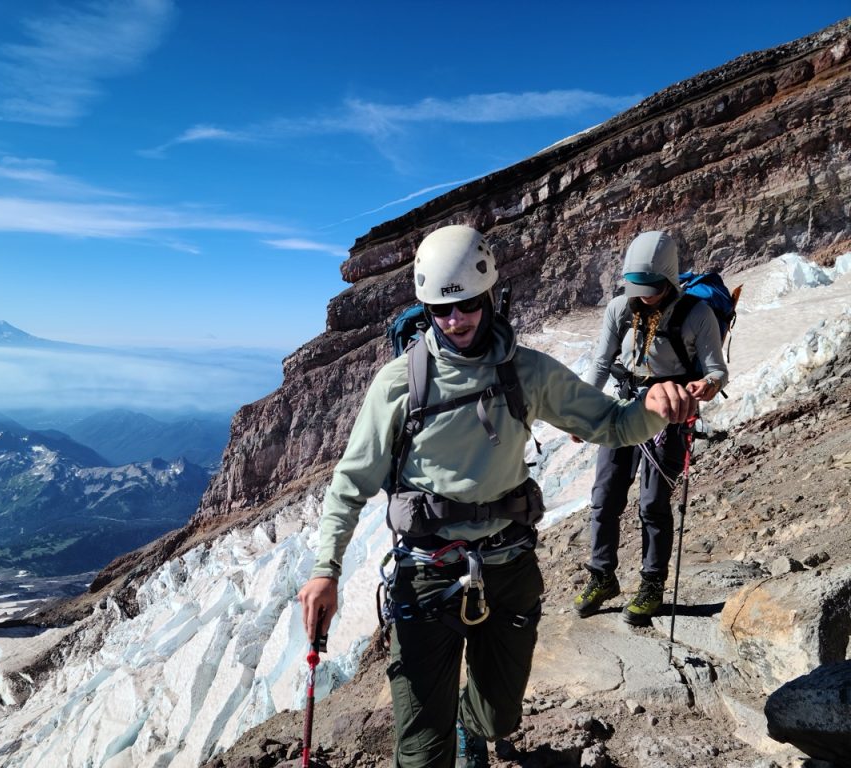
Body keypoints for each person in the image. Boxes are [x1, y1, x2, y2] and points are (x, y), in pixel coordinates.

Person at [297, 225, 698, 768]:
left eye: (464, 305)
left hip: (507, 563)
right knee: (419, 753)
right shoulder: (399, 383)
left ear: (489, 297)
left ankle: (475, 725)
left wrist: (654, 405)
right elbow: (350, 483)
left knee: (500, 716)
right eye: (440, 311)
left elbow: (610, 423)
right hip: (427, 571)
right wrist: (327, 569)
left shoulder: (526, 372)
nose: (454, 321)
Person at [572, 230, 729, 626]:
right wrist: (580, 412)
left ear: (669, 279)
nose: (643, 294)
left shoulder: (697, 314)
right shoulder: (619, 309)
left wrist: (705, 386)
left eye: (651, 288)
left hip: (669, 417)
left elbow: (716, 370)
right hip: (623, 407)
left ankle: (652, 583)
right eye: (637, 287)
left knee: (653, 503)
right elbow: (602, 363)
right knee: (605, 494)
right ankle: (602, 575)